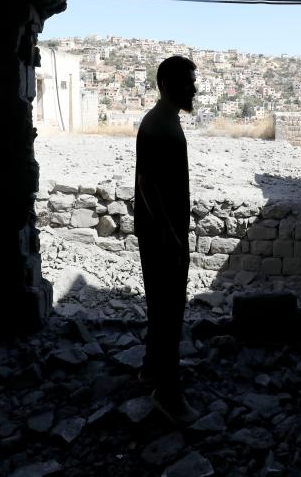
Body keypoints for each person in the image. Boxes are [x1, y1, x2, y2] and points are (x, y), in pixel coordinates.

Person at [135, 55, 200, 424]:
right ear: (165, 84)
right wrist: (172, 236)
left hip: (163, 233)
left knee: (160, 305)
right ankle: (168, 392)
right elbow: (146, 183)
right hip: (163, 236)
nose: (194, 88)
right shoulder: (157, 125)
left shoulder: (166, 120)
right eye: (187, 82)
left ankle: (151, 369)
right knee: (169, 311)